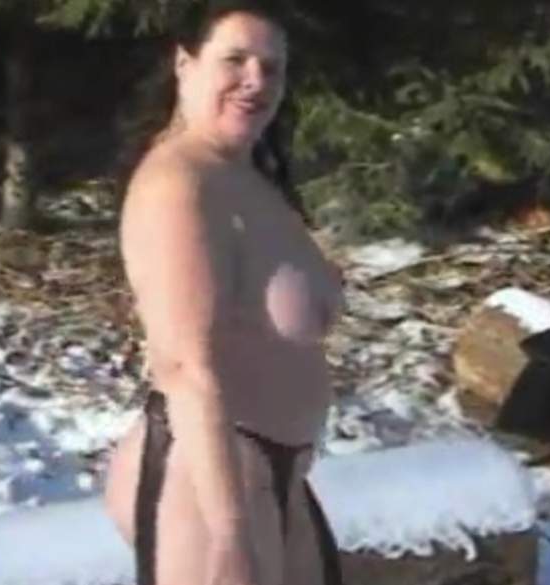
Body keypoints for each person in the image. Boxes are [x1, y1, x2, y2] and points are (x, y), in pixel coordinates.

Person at [104, 2, 345, 584]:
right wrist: (229, 533)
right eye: (235, 59)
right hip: (208, 484)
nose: (255, 80)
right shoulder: (177, 185)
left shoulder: (246, 177)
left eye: (272, 67)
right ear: (185, 65)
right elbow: (185, 366)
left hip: (279, 476)